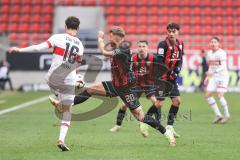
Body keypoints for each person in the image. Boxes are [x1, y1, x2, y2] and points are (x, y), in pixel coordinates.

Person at [50, 26, 176, 146]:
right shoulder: (117, 49)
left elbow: (105, 52)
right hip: (115, 85)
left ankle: (166, 133)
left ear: (117, 37)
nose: (109, 38)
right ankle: (64, 105)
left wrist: (99, 38)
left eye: (111, 36)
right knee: (90, 90)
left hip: (126, 89)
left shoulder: (123, 48)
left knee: (140, 117)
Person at [9, 16, 84, 151]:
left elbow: (38, 48)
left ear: (65, 26)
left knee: (54, 86)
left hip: (53, 77)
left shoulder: (57, 37)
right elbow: (77, 65)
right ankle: (61, 138)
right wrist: (78, 78)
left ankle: (59, 103)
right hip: (70, 79)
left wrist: (20, 50)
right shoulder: (80, 45)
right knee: (68, 111)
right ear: (78, 28)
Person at [109, 40, 163, 137]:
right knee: (123, 105)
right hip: (135, 85)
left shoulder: (152, 58)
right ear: (137, 48)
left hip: (148, 85)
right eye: (140, 46)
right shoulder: (133, 58)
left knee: (156, 103)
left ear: (147, 47)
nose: (141, 48)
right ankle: (117, 125)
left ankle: (157, 123)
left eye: (143, 46)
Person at [147, 22, 184, 138]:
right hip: (161, 78)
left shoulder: (181, 44)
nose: (172, 34)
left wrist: (177, 70)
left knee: (177, 101)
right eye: (169, 31)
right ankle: (145, 121)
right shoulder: (163, 44)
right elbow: (159, 62)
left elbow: (180, 59)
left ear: (178, 32)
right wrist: (169, 71)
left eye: (174, 31)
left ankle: (170, 127)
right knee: (159, 103)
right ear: (167, 32)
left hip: (171, 78)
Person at [204, 37, 230, 124]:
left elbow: (222, 66)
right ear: (209, 44)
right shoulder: (209, 54)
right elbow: (210, 66)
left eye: (215, 42)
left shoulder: (222, 53)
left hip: (222, 76)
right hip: (214, 77)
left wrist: (213, 72)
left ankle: (227, 115)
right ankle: (218, 115)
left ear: (218, 44)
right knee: (208, 95)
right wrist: (208, 77)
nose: (213, 43)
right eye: (211, 42)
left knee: (220, 96)